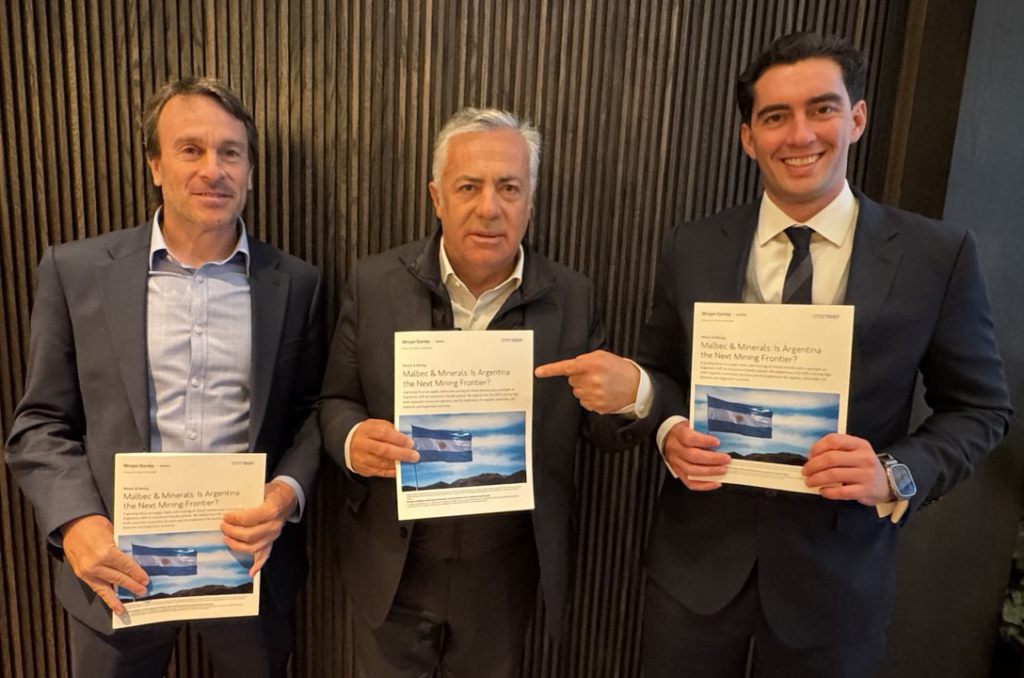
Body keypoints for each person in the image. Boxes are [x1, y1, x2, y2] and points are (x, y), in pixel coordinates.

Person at [538, 32, 1011, 677]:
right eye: (775, 117)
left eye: (822, 109)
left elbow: (981, 409)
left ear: (857, 118)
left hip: (838, 579)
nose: (799, 135)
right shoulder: (692, 246)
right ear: (748, 137)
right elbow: (666, 376)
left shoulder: (937, 256)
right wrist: (669, 429)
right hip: (696, 570)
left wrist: (894, 473)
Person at [5, 77, 325, 678]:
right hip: (115, 573)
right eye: (190, 150)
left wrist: (285, 495)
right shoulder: (76, 272)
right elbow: (39, 423)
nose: (214, 170)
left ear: (250, 171)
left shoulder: (296, 283)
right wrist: (76, 522)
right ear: (154, 165)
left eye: (231, 152)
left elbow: (312, 412)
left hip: (247, 569)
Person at [319, 107, 638, 677]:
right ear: (437, 197)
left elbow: (603, 431)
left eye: (509, 188)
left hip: (505, 572)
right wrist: (352, 439)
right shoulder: (374, 282)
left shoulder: (574, 296)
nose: (489, 207)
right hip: (394, 562)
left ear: (530, 201)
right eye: (469, 186)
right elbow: (335, 400)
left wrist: (632, 397)